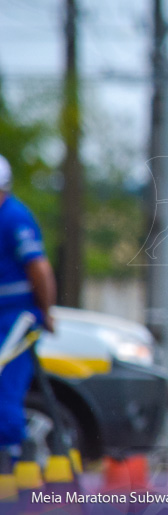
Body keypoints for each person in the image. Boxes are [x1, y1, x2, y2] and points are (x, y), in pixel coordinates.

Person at [0, 155, 56, 472]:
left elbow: (39, 268)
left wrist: (45, 312)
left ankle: (13, 462)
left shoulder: (13, 218)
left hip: (15, 319)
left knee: (5, 396)